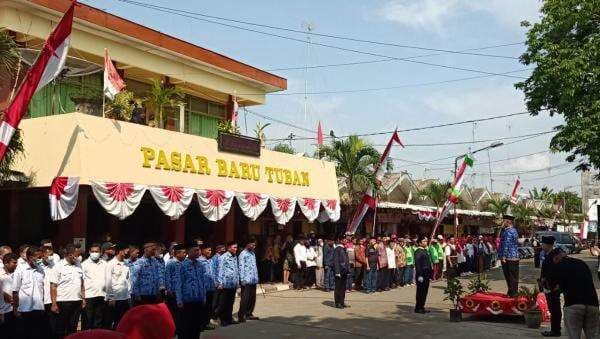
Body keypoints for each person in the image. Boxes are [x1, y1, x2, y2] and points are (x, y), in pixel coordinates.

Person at [552, 251, 599, 339]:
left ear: (556, 258)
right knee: (593, 335)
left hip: (573, 304)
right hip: (593, 303)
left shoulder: (559, 266)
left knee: (573, 335)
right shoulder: (582, 263)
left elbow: (555, 287)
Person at [51, 244, 85, 337]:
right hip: (63, 302)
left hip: (77, 302)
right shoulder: (58, 266)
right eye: (76, 255)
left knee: (73, 328)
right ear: (70, 254)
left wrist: (83, 299)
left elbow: (82, 283)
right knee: (61, 328)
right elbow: (53, 286)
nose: (78, 257)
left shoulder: (79, 264)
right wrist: (54, 303)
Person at [12, 246, 45, 339]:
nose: (40, 260)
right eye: (38, 257)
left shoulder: (41, 270)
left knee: (37, 334)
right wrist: (15, 309)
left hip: (38, 308)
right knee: (25, 334)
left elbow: (42, 289)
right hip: (24, 309)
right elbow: (15, 291)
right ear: (31, 257)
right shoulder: (20, 270)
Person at [176, 242, 207, 339]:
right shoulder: (182, 265)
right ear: (189, 251)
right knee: (186, 327)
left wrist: (204, 296)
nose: (198, 252)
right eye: (196, 250)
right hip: (187, 301)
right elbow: (179, 283)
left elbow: (202, 282)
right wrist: (179, 300)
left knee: (196, 326)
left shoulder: (200, 265)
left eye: (199, 250)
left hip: (198, 300)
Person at [538, 236, 562, 337]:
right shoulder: (551, 254)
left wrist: (548, 283)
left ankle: (555, 330)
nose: (542, 246)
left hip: (552, 286)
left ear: (548, 245)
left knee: (554, 308)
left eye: (543, 244)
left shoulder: (553, 256)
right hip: (550, 286)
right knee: (554, 308)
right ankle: (556, 328)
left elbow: (553, 273)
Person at [104, 243, 131, 329]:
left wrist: (128, 295)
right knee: (111, 322)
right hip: (115, 299)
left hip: (125, 298)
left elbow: (128, 280)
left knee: (122, 322)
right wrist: (111, 297)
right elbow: (108, 281)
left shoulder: (126, 264)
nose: (128, 252)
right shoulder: (110, 264)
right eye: (126, 250)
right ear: (120, 251)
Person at [81, 243, 107, 330]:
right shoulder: (84, 264)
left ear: (100, 252)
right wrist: (83, 298)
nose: (95, 253)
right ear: (89, 252)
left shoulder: (105, 264)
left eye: (97, 251)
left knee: (99, 320)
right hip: (89, 296)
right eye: (93, 251)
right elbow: (81, 282)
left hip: (102, 295)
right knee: (87, 321)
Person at [164, 243, 185, 337]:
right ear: (177, 254)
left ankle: (179, 329)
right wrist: (169, 290)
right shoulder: (170, 263)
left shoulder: (183, 263)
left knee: (180, 313)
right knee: (173, 313)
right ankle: (172, 330)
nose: (185, 254)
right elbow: (167, 277)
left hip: (181, 292)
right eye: (183, 253)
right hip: (173, 292)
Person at [217, 241, 240, 326]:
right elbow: (220, 270)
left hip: (233, 283)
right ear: (229, 248)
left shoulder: (235, 257)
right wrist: (220, 283)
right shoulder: (223, 257)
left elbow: (236, 270)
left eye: (236, 247)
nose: (236, 249)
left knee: (231, 302)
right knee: (224, 303)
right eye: (234, 247)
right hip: (226, 284)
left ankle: (229, 318)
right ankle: (223, 320)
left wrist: (237, 281)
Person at [238, 238, 260, 322]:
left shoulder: (253, 254)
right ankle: (241, 315)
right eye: (253, 245)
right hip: (246, 280)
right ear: (248, 244)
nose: (254, 246)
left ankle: (249, 313)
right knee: (245, 298)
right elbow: (241, 267)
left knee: (252, 298)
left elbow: (254, 266)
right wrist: (242, 279)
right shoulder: (242, 254)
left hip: (253, 279)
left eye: (255, 245)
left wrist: (256, 277)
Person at [498, 214, 520, 297]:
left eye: (504, 221)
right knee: (513, 276)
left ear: (508, 221)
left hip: (508, 257)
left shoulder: (508, 231)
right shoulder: (514, 230)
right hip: (513, 256)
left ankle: (513, 293)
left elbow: (506, 244)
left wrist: (503, 256)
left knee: (510, 276)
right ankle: (512, 292)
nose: (503, 222)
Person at [41, 246, 58, 338]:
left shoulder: (56, 266)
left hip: (53, 301)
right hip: (42, 301)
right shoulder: (38, 267)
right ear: (43, 255)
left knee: (53, 326)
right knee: (43, 326)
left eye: (51, 255)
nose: (49, 257)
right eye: (47, 255)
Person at [0, 252, 18, 338]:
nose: (16, 265)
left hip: (16, 310)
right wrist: (3, 294)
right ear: (6, 263)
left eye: (16, 262)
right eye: (14, 263)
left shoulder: (17, 273)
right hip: (4, 311)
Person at [199, 244, 216, 330]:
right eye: (208, 250)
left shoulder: (211, 261)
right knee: (202, 307)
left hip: (211, 287)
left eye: (210, 250)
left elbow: (213, 273)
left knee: (209, 307)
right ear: (202, 251)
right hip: (203, 288)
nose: (210, 252)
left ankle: (206, 323)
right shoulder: (199, 261)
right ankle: (200, 325)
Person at [414, 236, 433, 314]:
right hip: (421, 274)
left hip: (426, 274)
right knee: (420, 291)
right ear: (419, 243)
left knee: (425, 291)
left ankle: (422, 306)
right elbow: (418, 264)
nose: (426, 242)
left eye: (426, 241)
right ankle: (418, 308)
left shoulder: (425, 250)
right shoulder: (418, 251)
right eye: (424, 241)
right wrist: (420, 275)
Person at [333, 237, 350, 309]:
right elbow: (336, 260)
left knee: (343, 287)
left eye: (346, 240)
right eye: (344, 240)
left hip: (344, 271)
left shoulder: (344, 248)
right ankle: (337, 303)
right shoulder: (337, 249)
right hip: (339, 271)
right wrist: (337, 271)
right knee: (338, 287)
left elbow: (346, 260)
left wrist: (348, 270)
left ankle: (342, 302)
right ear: (340, 240)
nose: (346, 241)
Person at [210, 245, 225, 320]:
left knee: (221, 301)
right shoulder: (214, 258)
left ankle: (217, 314)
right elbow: (213, 271)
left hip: (222, 282)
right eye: (222, 248)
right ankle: (212, 315)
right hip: (217, 283)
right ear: (218, 249)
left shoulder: (223, 257)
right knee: (215, 301)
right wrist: (215, 282)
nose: (224, 249)